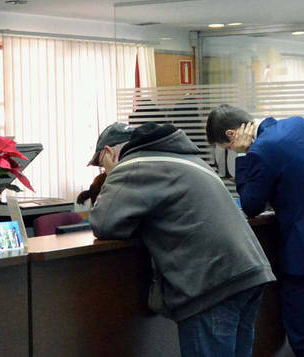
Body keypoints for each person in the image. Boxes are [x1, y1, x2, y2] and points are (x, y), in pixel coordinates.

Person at [88, 121, 275, 357]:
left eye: (101, 164)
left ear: (109, 152)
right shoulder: (186, 158)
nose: (103, 172)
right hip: (249, 271)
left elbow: (103, 223)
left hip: (212, 284)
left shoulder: (133, 166)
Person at [206, 105, 304, 357]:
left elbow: (251, 205)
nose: (232, 151)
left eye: (228, 148)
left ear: (233, 135)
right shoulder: (299, 124)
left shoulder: (260, 151)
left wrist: (242, 157)